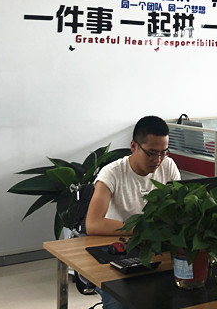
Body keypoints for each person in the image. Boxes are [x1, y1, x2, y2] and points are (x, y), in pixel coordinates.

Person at [85, 115, 180, 309]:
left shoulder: (168, 166)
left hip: (157, 249)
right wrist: (144, 229)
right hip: (119, 251)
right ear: (133, 146)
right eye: (151, 153)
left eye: (163, 152)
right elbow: (93, 224)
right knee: (122, 304)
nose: (158, 160)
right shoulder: (112, 173)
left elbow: (178, 209)